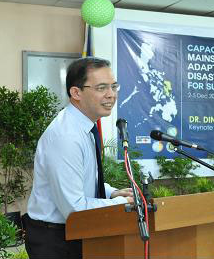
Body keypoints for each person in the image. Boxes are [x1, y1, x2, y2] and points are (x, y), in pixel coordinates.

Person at [24, 57, 134, 259]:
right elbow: (74, 208)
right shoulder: (66, 136)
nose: (111, 95)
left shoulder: (84, 126)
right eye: (102, 88)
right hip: (55, 239)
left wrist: (112, 193)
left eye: (114, 86)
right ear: (76, 93)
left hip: (74, 233)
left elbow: (84, 179)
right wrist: (123, 204)